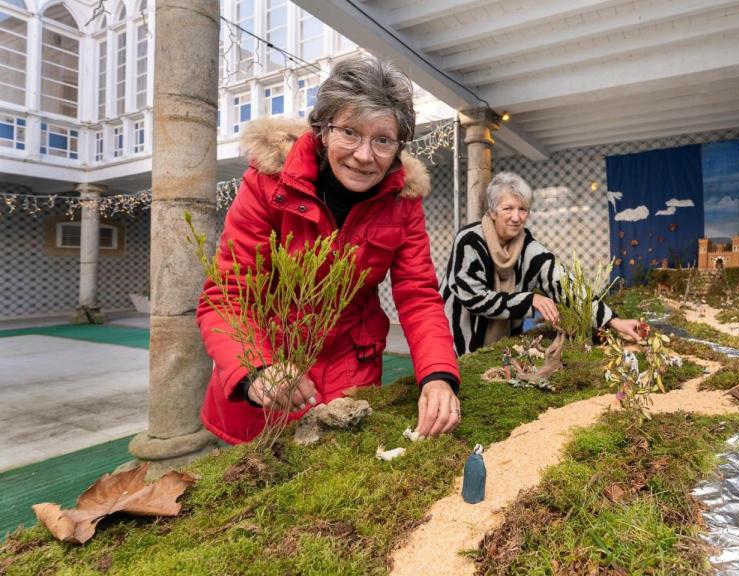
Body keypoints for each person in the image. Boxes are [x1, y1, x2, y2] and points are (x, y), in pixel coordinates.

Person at [197, 53, 460, 445]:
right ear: (322, 129)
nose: (365, 155)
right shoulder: (269, 184)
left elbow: (418, 294)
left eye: (383, 140)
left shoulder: (402, 199)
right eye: (350, 132)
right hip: (272, 382)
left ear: (399, 145)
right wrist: (257, 368)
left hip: (350, 379)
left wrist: (438, 375)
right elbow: (227, 296)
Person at [440, 171, 643, 356]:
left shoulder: (529, 248)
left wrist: (614, 321)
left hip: (498, 345)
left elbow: (566, 286)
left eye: (523, 209)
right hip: (453, 338)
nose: (516, 217)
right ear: (493, 212)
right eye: (508, 208)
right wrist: (529, 300)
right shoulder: (469, 240)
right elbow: (473, 298)